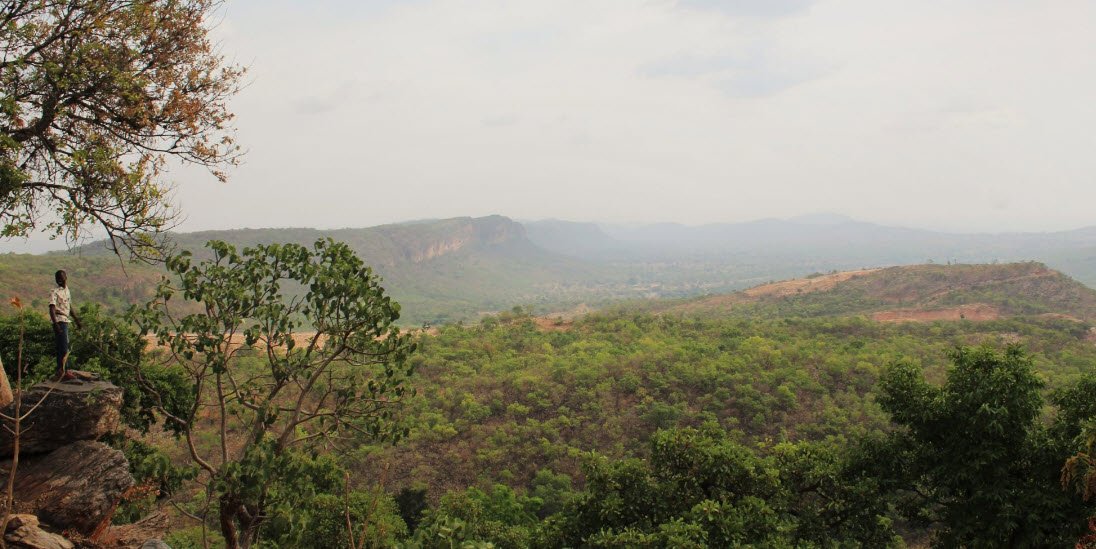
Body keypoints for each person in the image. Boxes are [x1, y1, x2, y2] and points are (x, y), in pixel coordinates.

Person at [49, 269, 81, 380]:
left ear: (66, 278)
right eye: (58, 279)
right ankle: (64, 371)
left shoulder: (67, 290)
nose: (60, 281)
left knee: (63, 346)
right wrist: (56, 324)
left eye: (61, 278)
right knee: (63, 347)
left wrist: (77, 321)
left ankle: (61, 370)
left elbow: (69, 307)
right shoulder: (54, 291)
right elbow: (52, 309)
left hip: (65, 320)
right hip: (59, 321)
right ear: (56, 280)